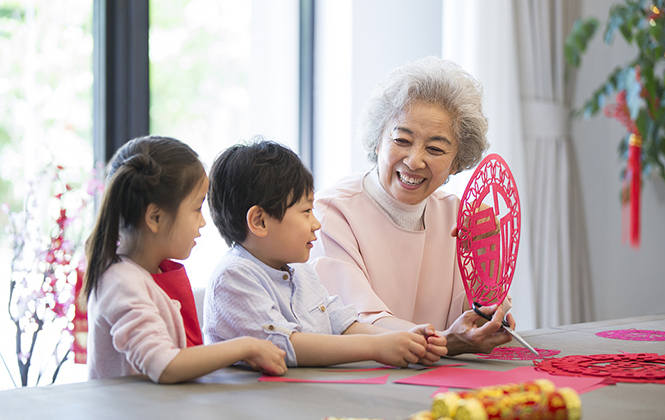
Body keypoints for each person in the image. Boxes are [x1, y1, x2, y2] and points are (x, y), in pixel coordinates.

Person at [309, 56, 516, 356]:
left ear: (457, 163)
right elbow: (355, 324)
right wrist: (447, 341)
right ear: (377, 141)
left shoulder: (462, 218)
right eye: (402, 140)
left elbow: (477, 318)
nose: (414, 161)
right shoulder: (332, 213)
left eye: (434, 149)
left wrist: (488, 279)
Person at [203, 138, 447, 367]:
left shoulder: (300, 272)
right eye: (306, 211)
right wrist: (375, 346)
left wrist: (403, 337)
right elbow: (283, 345)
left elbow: (342, 324)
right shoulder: (234, 277)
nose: (316, 223)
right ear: (260, 221)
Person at [84, 135, 287, 384]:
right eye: (196, 209)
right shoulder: (121, 282)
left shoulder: (149, 273)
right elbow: (165, 365)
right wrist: (247, 346)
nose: (202, 222)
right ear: (155, 217)